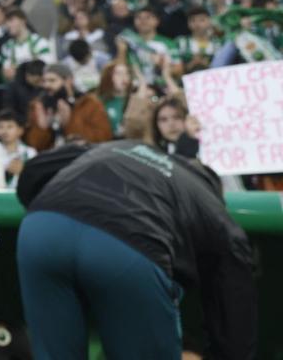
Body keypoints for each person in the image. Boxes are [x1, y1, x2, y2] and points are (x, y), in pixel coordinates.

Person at [15, 141, 255, 359]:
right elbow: (233, 302)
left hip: (41, 229)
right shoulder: (209, 203)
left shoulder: (121, 146)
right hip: (128, 246)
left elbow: (33, 172)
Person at [24, 63, 112, 150]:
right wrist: (43, 127)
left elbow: (103, 138)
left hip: (82, 157)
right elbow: (35, 145)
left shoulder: (89, 103)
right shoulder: (39, 106)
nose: (47, 85)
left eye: (52, 80)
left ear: (68, 81)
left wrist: (69, 122)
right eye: (44, 81)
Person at [0, 9, 54, 81]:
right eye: (6, 22)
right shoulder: (6, 47)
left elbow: (47, 68)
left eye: (11, 20)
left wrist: (18, 71)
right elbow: (6, 73)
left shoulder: (39, 42)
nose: (8, 25)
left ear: (23, 20)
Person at [0, 109, 36, 188]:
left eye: (10, 126)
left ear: (20, 130)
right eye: (1, 127)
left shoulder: (30, 153)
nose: (5, 131)